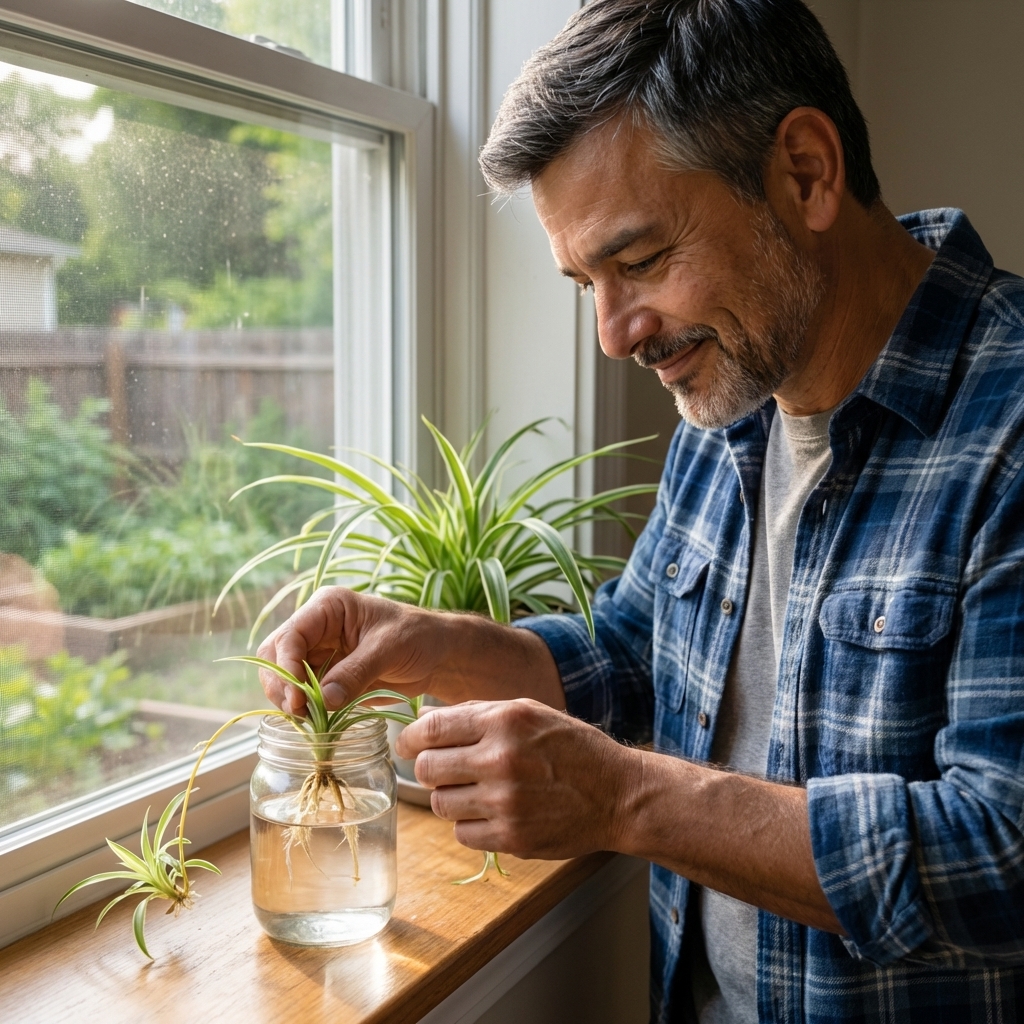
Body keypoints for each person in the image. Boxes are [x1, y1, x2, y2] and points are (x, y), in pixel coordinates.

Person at [256, 1, 1024, 1021]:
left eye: (641, 259)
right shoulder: (735, 396)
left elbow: (1000, 851)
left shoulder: (1007, 426)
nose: (615, 335)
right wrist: (435, 647)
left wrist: (624, 798)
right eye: (584, 282)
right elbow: (639, 653)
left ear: (804, 171)